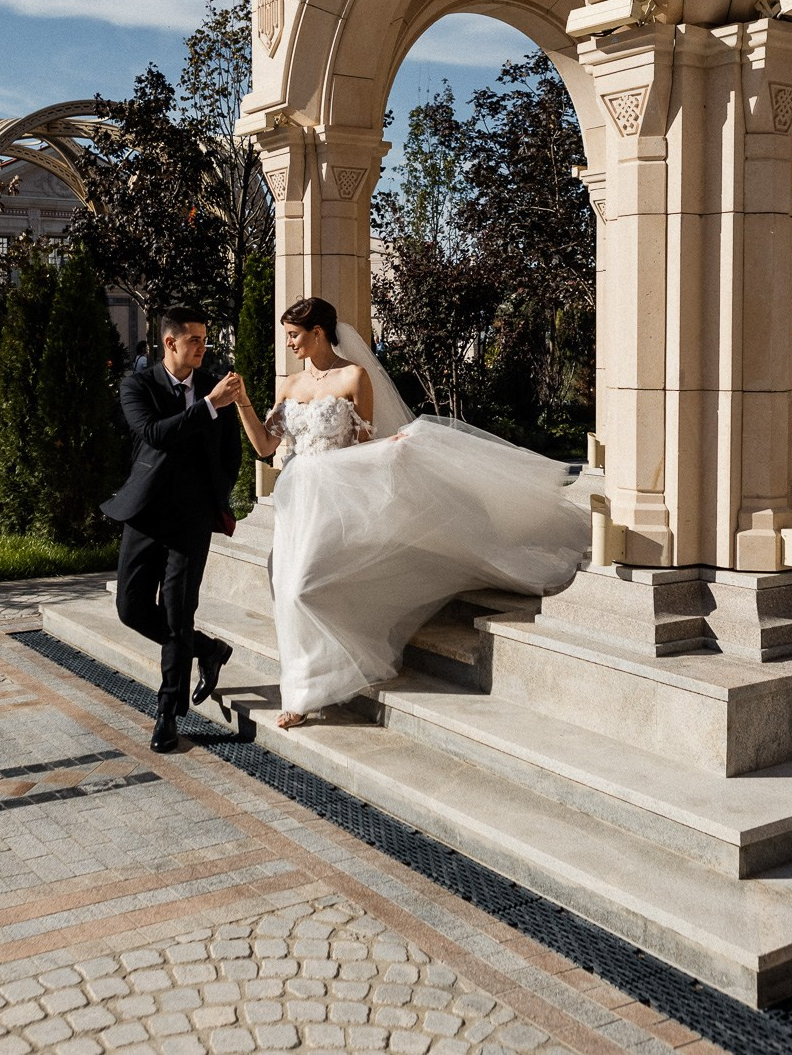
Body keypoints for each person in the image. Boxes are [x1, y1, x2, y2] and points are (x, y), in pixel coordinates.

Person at [235, 296, 588, 731]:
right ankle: (303, 691)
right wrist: (242, 403)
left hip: (336, 495)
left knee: (303, 589)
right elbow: (266, 447)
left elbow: (362, 445)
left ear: (318, 333)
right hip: (296, 499)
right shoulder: (289, 385)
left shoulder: (354, 376)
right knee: (288, 591)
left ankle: (322, 677)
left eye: (294, 335)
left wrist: (390, 448)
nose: (288, 343)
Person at [101, 305, 242, 753]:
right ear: (170, 343)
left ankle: (167, 712)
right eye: (194, 340)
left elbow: (231, 451)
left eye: (205, 339)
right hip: (145, 514)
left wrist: (216, 490)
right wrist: (207, 406)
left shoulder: (213, 385)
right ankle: (209, 649)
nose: (203, 347)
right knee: (131, 607)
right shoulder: (138, 384)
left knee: (179, 614)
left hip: (192, 519)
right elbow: (155, 433)